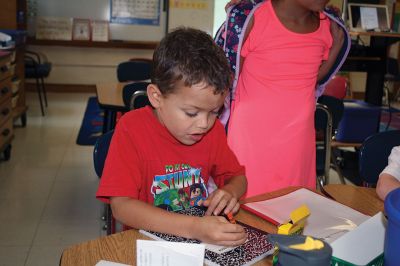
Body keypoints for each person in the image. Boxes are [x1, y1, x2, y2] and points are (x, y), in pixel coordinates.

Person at [96, 27, 248, 246]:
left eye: (215, 112)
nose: (204, 124)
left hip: (199, 240)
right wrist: (193, 227)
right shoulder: (132, 129)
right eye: (191, 113)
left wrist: (230, 191)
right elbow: (121, 206)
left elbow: (238, 177)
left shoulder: (211, 131)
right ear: (156, 97)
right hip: (146, 241)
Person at [222, 0, 346, 197]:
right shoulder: (252, 18)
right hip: (251, 140)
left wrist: (334, 52)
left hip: (298, 141)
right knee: (247, 210)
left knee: (292, 209)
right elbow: (226, 78)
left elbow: (310, 79)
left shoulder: (327, 25)